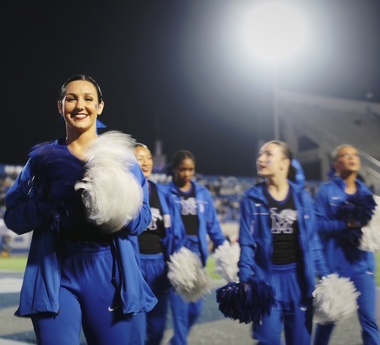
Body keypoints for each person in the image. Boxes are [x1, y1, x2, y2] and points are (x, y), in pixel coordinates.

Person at [4, 74, 156, 345]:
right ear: (60, 106)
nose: (79, 106)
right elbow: (14, 216)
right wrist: (49, 205)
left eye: (88, 99)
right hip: (55, 272)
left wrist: (112, 206)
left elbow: (142, 219)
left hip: (107, 271)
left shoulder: (121, 160)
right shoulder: (41, 161)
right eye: (71, 98)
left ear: (100, 107)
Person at [238, 140, 328, 344]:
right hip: (266, 281)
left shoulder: (302, 197)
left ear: (284, 163)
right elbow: (247, 243)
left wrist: (326, 277)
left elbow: (313, 241)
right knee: (267, 340)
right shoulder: (250, 198)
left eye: (268, 154)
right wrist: (245, 280)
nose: (260, 159)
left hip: (298, 281)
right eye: (260, 155)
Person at [313, 144, 380, 345]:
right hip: (335, 268)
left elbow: (372, 231)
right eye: (345, 155)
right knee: (328, 320)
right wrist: (346, 224)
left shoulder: (366, 193)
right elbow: (316, 226)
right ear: (336, 164)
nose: (352, 158)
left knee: (370, 321)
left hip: (362, 267)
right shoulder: (326, 192)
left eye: (355, 155)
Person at [166, 149, 226, 345]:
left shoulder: (203, 193)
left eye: (191, 169)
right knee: (180, 312)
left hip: (198, 254)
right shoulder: (166, 193)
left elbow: (213, 226)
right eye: (182, 169)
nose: (187, 174)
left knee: (196, 309)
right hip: (176, 255)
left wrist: (224, 249)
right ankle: (181, 341)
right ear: (174, 170)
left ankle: (176, 342)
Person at [131, 143, 186, 345]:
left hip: (159, 266)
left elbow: (176, 232)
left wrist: (177, 263)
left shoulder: (164, 194)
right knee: (135, 326)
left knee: (157, 328)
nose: (145, 162)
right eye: (139, 158)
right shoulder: (123, 192)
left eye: (148, 158)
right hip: (133, 266)